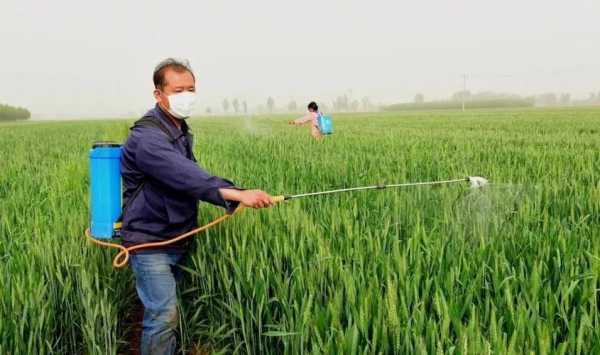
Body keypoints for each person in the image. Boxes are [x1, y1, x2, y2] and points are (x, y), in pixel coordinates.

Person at [120, 58, 274, 355]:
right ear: (158, 94)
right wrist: (237, 194)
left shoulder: (177, 130)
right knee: (163, 315)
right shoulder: (147, 138)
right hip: (150, 240)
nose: (187, 96)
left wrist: (232, 195)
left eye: (191, 89)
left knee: (168, 310)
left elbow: (189, 177)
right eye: (178, 90)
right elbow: (186, 176)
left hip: (177, 235)